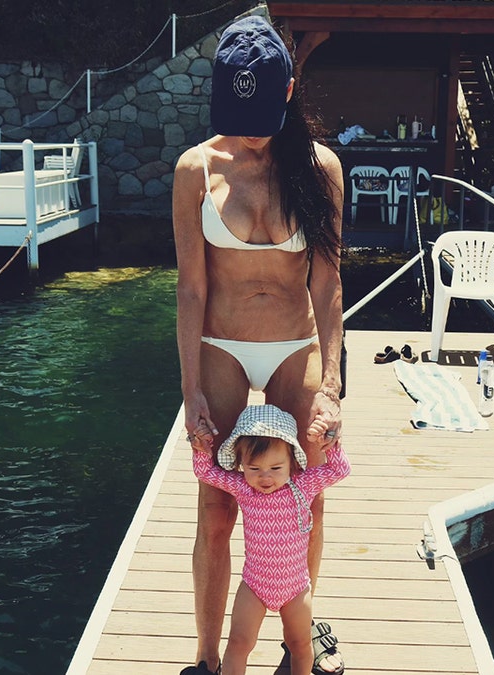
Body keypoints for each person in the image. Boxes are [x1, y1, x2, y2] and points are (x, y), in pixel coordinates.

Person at [172, 13, 347, 675]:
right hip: (220, 342)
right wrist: (190, 391)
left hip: (294, 344)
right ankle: (207, 658)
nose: (247, 130)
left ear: (289, 89)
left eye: (260, 110)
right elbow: (191, 288)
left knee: (309, 491)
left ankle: (296, 640)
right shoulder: (197, 168)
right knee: (216, 503)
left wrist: (330, 383)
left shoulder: (321, 168)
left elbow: (329, 281)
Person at [191, 404, 350, 675]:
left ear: (292, 462)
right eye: (254, 468)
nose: (265, 477)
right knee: (238, 644)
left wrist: (331, 445)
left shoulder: (303, 484)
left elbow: (340, 471)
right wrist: (201, 451)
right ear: (241, 465)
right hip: (254, 584)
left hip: (296, 587)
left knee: (300, 645)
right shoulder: (243, 487)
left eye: (276, 467)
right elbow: (206, 473)